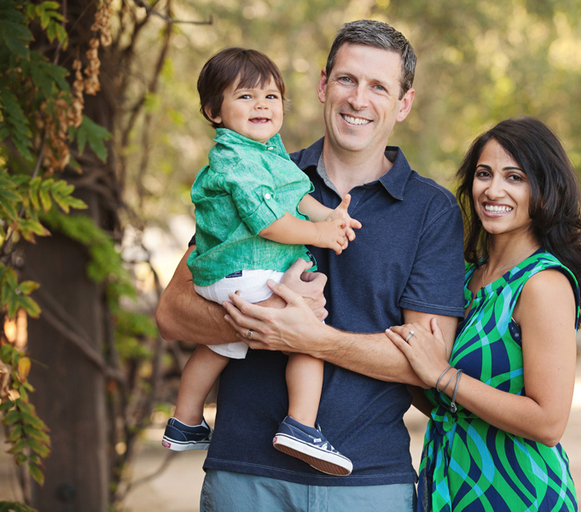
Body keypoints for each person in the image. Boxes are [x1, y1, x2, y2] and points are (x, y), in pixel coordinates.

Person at [155, 20, 466, 511]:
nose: (358, 99)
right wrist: (267, 324)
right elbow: (173, 313)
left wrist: (309, 338)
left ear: (403, 104)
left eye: (378, 86)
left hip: (368, 481)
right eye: (346, 80)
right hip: (244, 475)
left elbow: (428, 358)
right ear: (323, 85)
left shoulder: (431, 209)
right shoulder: (253, 172)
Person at [161, 47, 362, 477]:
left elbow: (295, 195)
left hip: (226, 275)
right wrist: (318, 234)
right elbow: (269, 221)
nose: (262, 105)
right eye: (246, 97)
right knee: (308, 333)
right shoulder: (236, 160)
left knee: (216, 346)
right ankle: (301, 426)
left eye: (271, 97)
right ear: (214, 111)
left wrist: (328, 214)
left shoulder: (267, 153)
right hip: (248, 268)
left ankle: (185, 420)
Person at [385, 117, 581, 511]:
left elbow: (549, 422)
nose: (493, 189)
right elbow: (445, 407)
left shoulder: (542, 284)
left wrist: (444, 375)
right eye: (484, 174)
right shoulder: (464, 277)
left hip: (514, 491)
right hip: (448, 484)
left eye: (514, 177)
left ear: (546, 192)